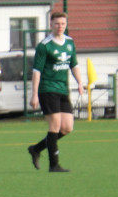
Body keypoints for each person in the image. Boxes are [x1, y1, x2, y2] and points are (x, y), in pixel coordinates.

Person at [26, 11, 86, 173]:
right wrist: (34, 94)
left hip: (62, 89)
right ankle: (54, 165)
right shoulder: (44, 46)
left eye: (63, 24)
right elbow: (36, 71)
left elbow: (74, 64)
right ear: (51, 25)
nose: (60, 27)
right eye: (57, 24)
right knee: (55, 125)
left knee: (67, 128)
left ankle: (36, 148)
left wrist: (80, 82)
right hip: (47, 89)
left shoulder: (70, 43)